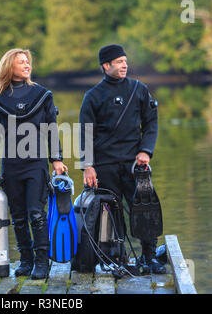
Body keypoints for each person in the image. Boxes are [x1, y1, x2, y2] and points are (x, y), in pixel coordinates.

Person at [78, 44, 165, 274]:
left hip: (135, 164)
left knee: (145, 210)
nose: (125, 65)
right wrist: (88, 166)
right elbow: (85, 134)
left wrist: (145, 151)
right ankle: (119, 257)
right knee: (112, 215)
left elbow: (151, 123)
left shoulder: (139, 89)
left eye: (125, 61)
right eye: (119, 62)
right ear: (106, 66)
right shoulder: (92, 96)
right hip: (104, 166)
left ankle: (149, 257)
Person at [0, 48, 67, 279]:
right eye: (21, 62)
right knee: (18, 216)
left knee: (36, 213)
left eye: (28, 61)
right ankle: (26, 260)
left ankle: (42, 262)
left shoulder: (42, 95)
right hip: (11, 164)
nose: (27, 64)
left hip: (36, 163)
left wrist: (57, 159)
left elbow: (51, 128)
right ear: (9, 67)